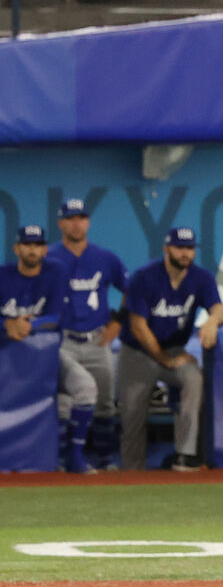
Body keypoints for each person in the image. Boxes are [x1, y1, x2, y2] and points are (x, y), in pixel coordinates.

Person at [118, 227, 223, 472]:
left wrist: (212, 321)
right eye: (180, 248)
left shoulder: (202, 278)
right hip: (138, 352)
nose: (185, 254)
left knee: (194, 379)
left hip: (175, 349)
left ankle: (185, 456)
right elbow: (138, 326)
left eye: (190, 249)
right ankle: (131, 474)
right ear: (167, 249)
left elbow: (220, 309)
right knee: (132, 418)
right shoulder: (144, 277)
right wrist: (164, 359)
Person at [2, 225, 98, 474]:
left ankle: (74, 457)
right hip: (7, 357)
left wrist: (28, 324)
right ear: (17, 248)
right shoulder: (3, 276)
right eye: (27, 244)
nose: (32, 250)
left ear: (44, 249)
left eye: (37, 245)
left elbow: (57, 317)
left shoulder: (55, 272)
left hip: (47, 357)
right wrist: (6, 324)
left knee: (86, 387)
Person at [46, 198, 130, 471]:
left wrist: (118, 320)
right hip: (63, 340)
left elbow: (133, 289)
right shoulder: (50, 257)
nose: (76, 222)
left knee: (105, 403)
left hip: (97, 338)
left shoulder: (105, 258)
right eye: (70, 217)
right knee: (63, 402)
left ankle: (105, 460)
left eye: (81, 217)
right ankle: (62, 462)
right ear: (61, 223)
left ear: (88, 222)